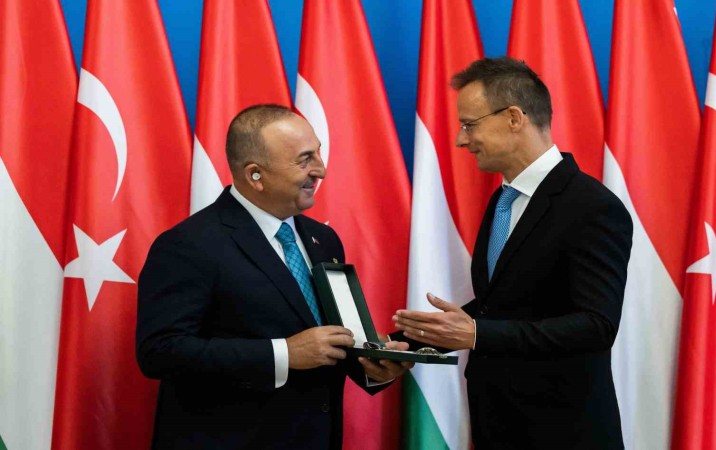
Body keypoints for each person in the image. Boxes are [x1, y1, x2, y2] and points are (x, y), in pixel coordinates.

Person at [137, 104, 411, 450]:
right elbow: (160, 351)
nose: (321, 170)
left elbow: (329, 340)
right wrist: (282, 353)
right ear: (255, 174)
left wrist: (372, 366)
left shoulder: (323, 239)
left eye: (318, 153)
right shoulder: (189, 244)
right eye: (305, 160)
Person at [392, 57, 633, 449]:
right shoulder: (503, 201)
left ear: (514, 118)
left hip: (562, 434)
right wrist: (406, 343)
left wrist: (476, 333)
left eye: (470, 124)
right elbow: (502, 306)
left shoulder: (592, 206)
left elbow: (596, 325)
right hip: (497, 427)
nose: (461, 140)